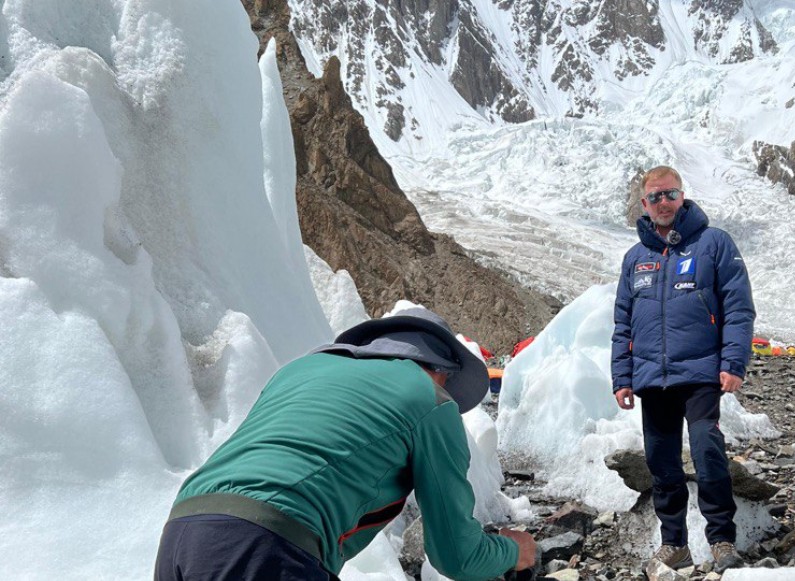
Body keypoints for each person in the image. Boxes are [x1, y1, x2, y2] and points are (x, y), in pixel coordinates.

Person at [155, 307, 537, 580]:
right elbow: (457, 555)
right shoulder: (429, 398)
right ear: (440, 370)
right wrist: (511, 551)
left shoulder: (299, 371)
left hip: (181, 532)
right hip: (268, 544)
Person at [611, 166, 754, 573]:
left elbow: (738, 308)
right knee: (661, 461)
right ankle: (675, 544)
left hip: (702, 372)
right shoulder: (636, 258)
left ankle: (722, 540)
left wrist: (733, 362)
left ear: (682, 195)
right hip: (652, 378)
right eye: (654, 197)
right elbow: (623, 322)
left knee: (708, 451)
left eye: (669, 194)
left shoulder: (714, 243)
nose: (662, 203)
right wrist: (622, 377)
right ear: (644, 204)